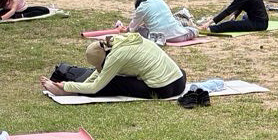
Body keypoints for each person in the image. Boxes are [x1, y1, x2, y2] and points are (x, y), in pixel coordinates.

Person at [40, 33, 187, 99]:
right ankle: (76, 90)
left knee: (113, 82)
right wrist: (82, 84)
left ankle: (70, 94)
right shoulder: (121, 41)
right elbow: (99, 73)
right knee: (111, 77)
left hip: (162, 90)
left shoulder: (116, 57)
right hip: (179, 81)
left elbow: (96, 86)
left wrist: (67, 87)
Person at [117, 0, 200, 44]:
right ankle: (188, 24)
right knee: (194, 30)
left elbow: (132, 29)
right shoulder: (158, 0)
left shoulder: (141, 9)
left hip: (161, 37)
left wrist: (124, 30)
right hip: (180, 35)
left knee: (139, 30)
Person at [200, 0, 268, 33]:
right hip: (261, 21)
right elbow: (242, 4)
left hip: (259, 24)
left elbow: (227, 11)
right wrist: (235, 15)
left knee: (229, 25)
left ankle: (209, 29)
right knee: (244, 18)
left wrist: (209, 23)